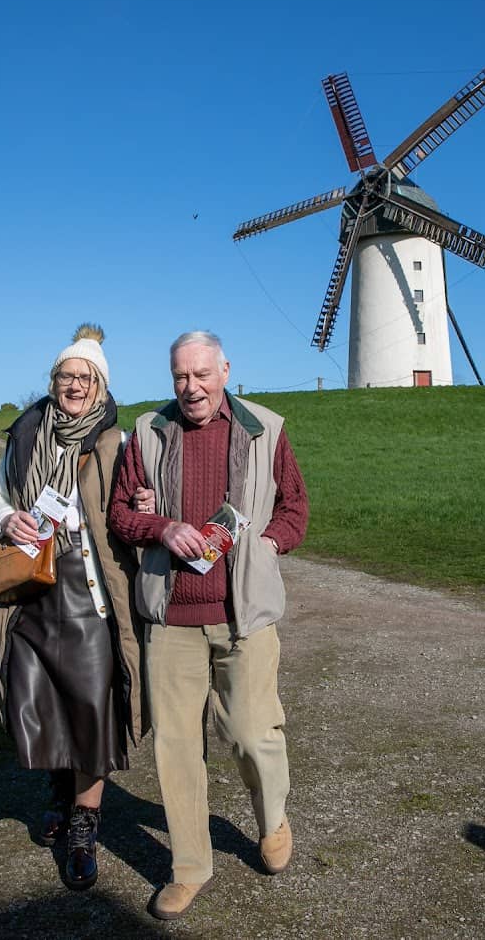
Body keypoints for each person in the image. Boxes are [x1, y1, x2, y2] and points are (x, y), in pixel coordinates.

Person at [108, 330, 309, 921]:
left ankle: (272, 817)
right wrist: (162, 528)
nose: (190, 387)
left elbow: (294, 506)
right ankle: (190, 866)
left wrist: (266, 548)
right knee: (175, 747)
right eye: (180, 376)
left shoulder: (265, 428)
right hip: (170, 616)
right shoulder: (146, 433)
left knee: (251, 732)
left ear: (225, 370)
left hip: (242, 616)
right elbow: (121, 512)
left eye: (201, 374)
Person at [0, 324, 147, 891]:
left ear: (100, 387)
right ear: (52, 381)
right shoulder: (27, 434)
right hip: (32, 586)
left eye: (85, 377)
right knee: (36, 694)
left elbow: (131, 506)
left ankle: (83, 825)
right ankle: (57, 788)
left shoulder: (115, 443)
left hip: (87, 590)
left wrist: (147, 501)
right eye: (65, 375)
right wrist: (5, 519)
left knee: (91, 708)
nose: (73, 385)